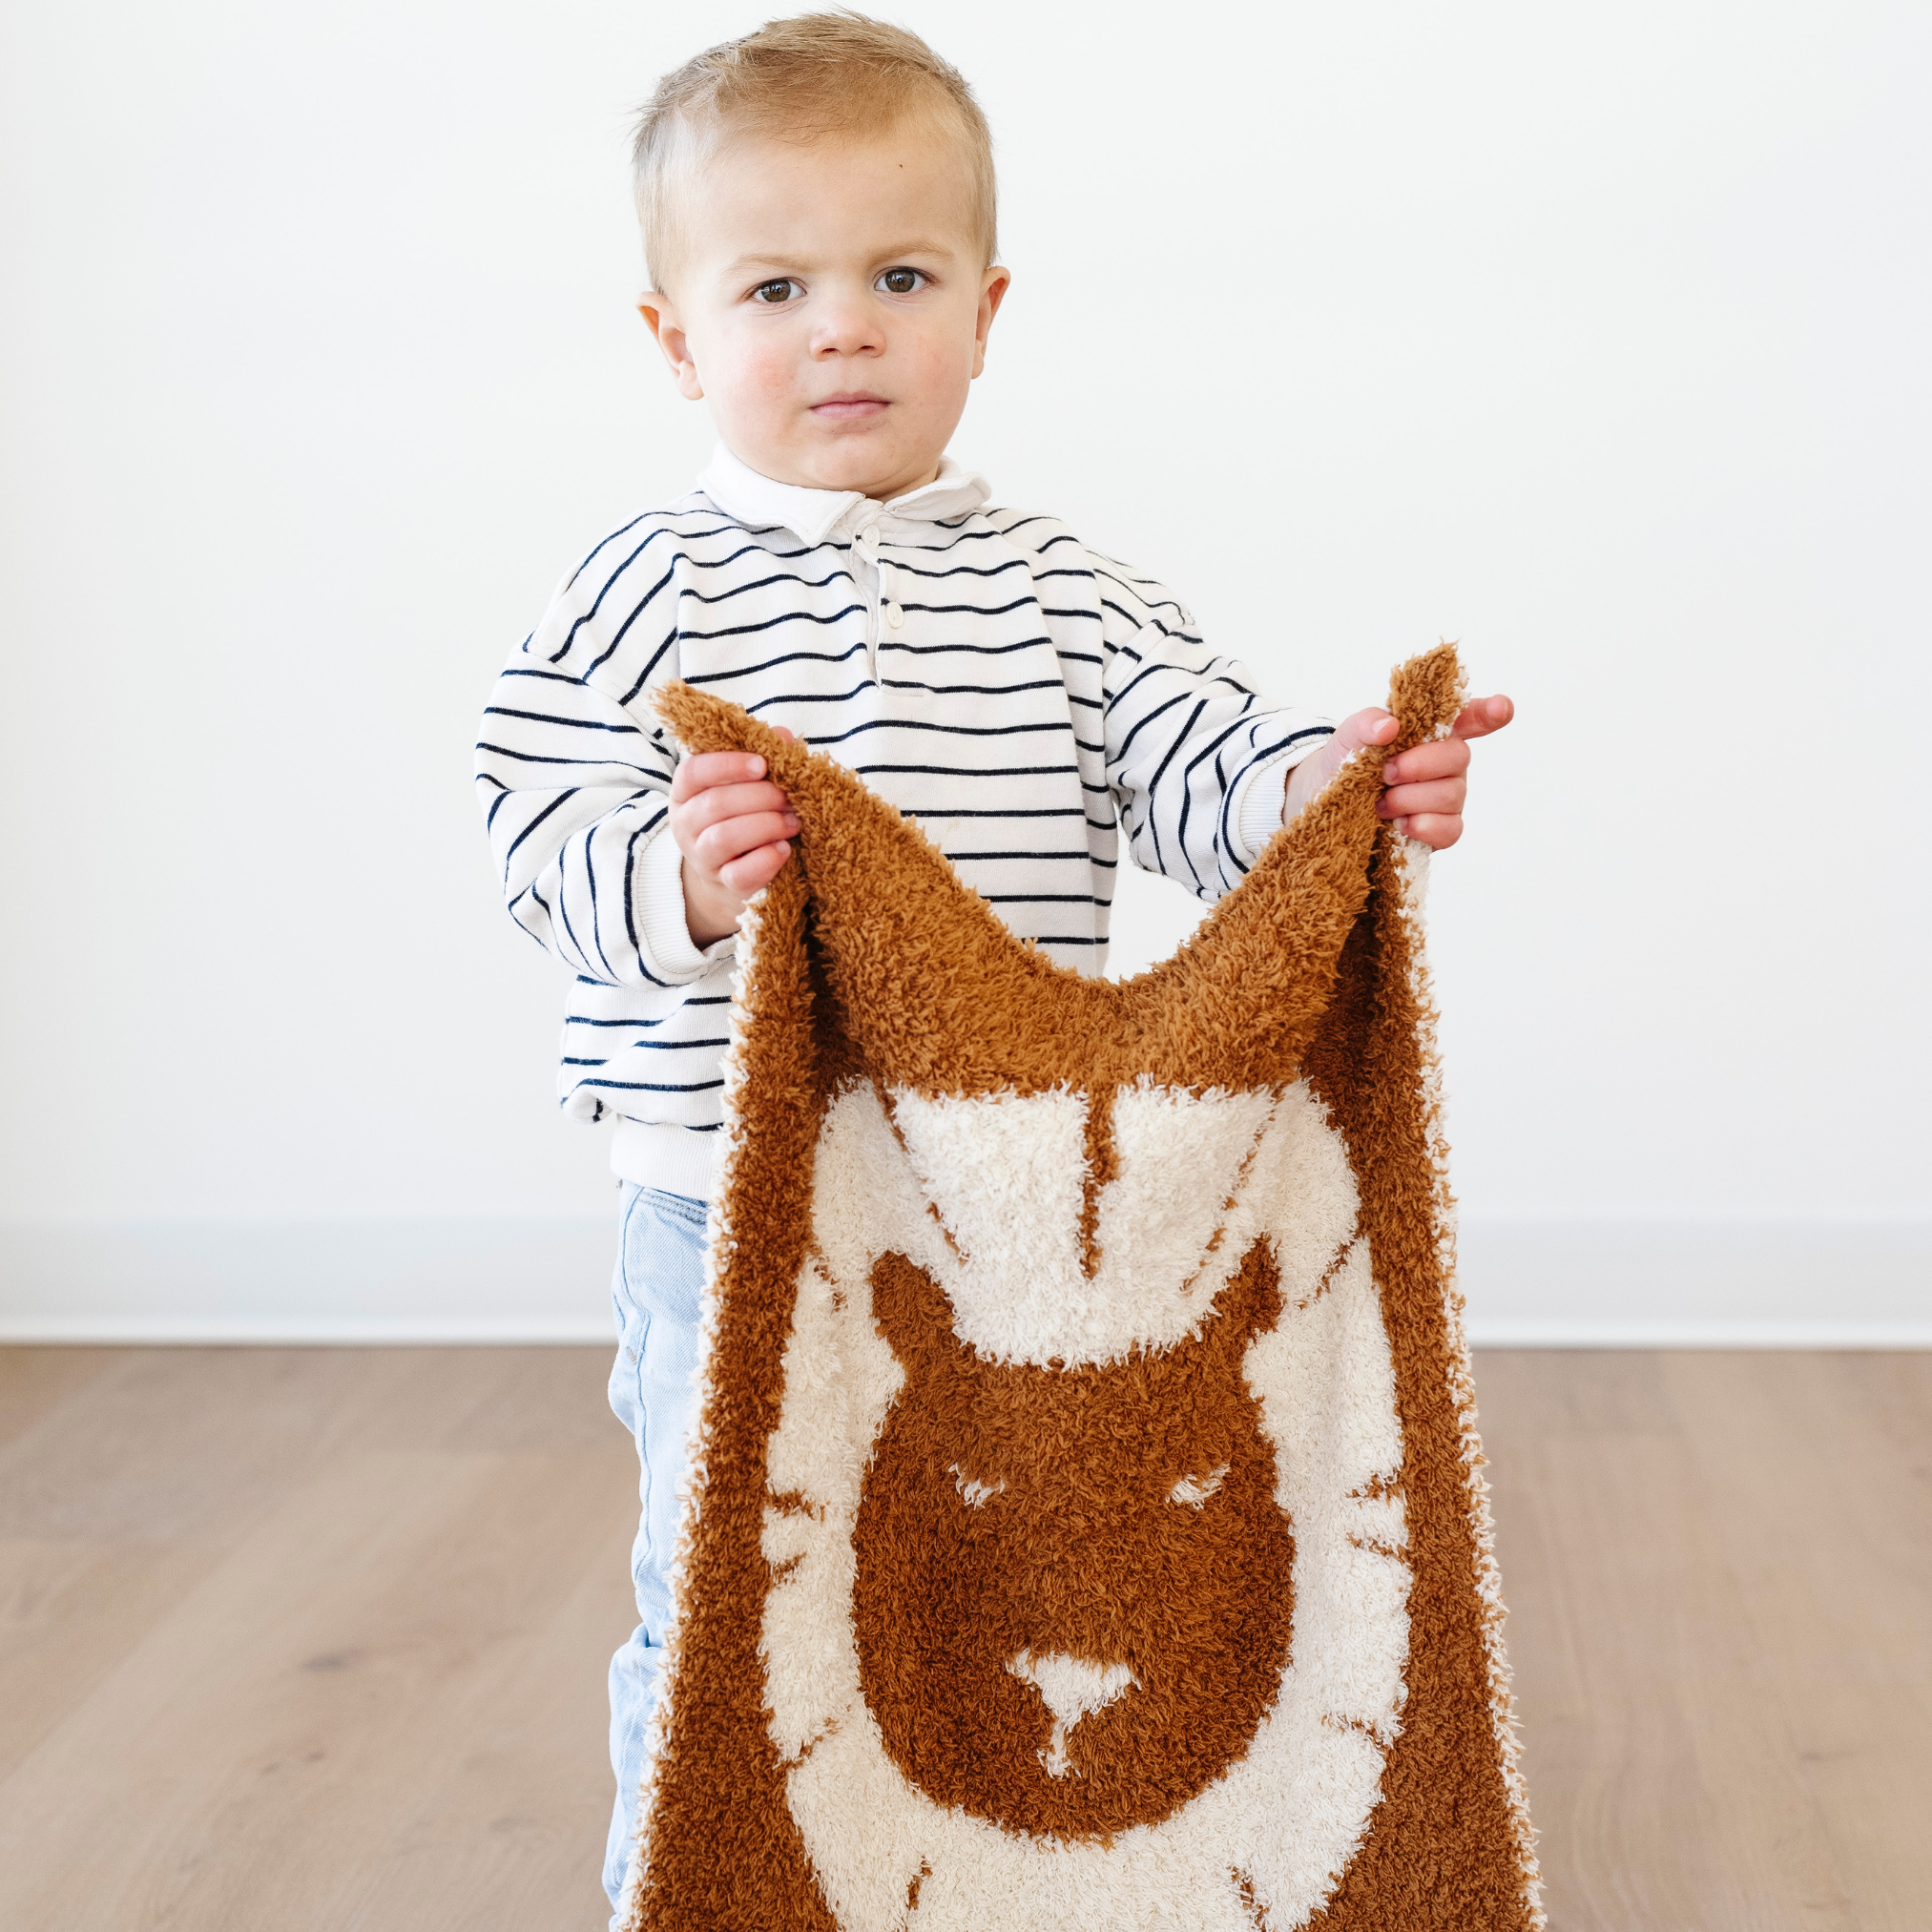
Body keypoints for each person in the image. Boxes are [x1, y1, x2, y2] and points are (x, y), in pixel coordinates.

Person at [473, 14, 1513, 1921]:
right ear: (675, 338)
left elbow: (1198, 761)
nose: (844, 331)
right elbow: (528, 825)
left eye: (900, 277)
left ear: (986, 308)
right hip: (727, 1198)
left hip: (1000, 1228)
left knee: (978, 1585)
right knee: (724, 1593)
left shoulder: (1065, 589)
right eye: (775, 289)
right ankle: (683, 1888)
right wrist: (675, 878)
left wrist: (1329, 785)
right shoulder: (641, 587)